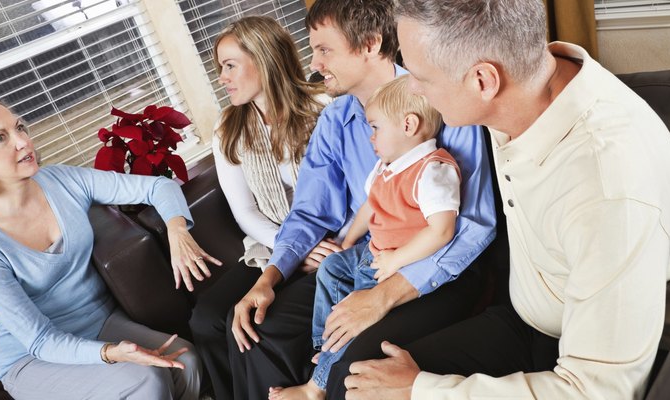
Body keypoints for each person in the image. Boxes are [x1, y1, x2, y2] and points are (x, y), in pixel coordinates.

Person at [343, 0, 670, 399]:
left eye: (420, 76)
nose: (412, 89)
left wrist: (424, 390)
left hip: (573, 349)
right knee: (355, 374)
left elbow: (597, 392)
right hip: (524, 308)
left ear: (483, 81)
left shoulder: (607, 187)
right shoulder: (526, 82)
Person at [225, 1, 497, 399]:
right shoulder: (335, 120)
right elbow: (310, 212)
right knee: (257, 332)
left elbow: (473, 227)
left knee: (352, 370)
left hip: (438, 266)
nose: (314, 63)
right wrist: (269, 277)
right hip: (368, 255)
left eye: (324, 49)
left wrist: (380, 297)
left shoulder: (439, 100)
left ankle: (319, 384)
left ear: (370, 44)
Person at [0, 94, 221, 400]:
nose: (22, 141)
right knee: (147, 380)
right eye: (1, 138)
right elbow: (40, 339)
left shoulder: (61, 180)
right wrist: (110, 353)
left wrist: (177, 231)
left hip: (100, 322)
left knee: (185, 361)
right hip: (33, 357)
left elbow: (158, 186)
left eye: (19, 128)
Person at [270, 75, 462, 400]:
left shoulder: (432, 170)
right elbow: (368, 206)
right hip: (373, 252)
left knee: (350, 314)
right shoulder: (388, 166)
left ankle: (315, 386)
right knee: (331, 268)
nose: (370, 137)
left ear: (409, 125)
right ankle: (324, 344)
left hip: (398, 263)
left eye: (376, 128)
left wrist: (396, 261)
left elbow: (443, 230)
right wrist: (345, 246)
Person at [187, 15, 328, 400]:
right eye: (220, 68)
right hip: (271, 244)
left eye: (229, 65)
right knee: (205, 321)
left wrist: (312, 247)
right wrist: (294, 247)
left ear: (264, 59)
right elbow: (245, 213)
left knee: (249, 324)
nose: (222, 78)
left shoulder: (322, 108)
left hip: (327, 242)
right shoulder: (229, 127)